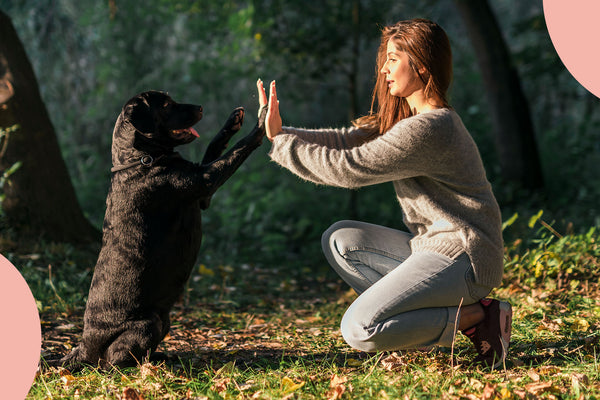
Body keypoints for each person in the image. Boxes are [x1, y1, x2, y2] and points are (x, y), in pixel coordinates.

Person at [256, 18, 511, 369]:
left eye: (393, 59)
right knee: (341, 240)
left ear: (421, 64)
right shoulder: (414, 121)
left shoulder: (431, 128)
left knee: (359, 329)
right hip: (435, 248)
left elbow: (348, 168)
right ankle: (409, 329)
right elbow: (347, 140)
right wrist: (281, 132)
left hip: (466, 257)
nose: (384, 70)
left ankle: (474, 317)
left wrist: (282, 143)